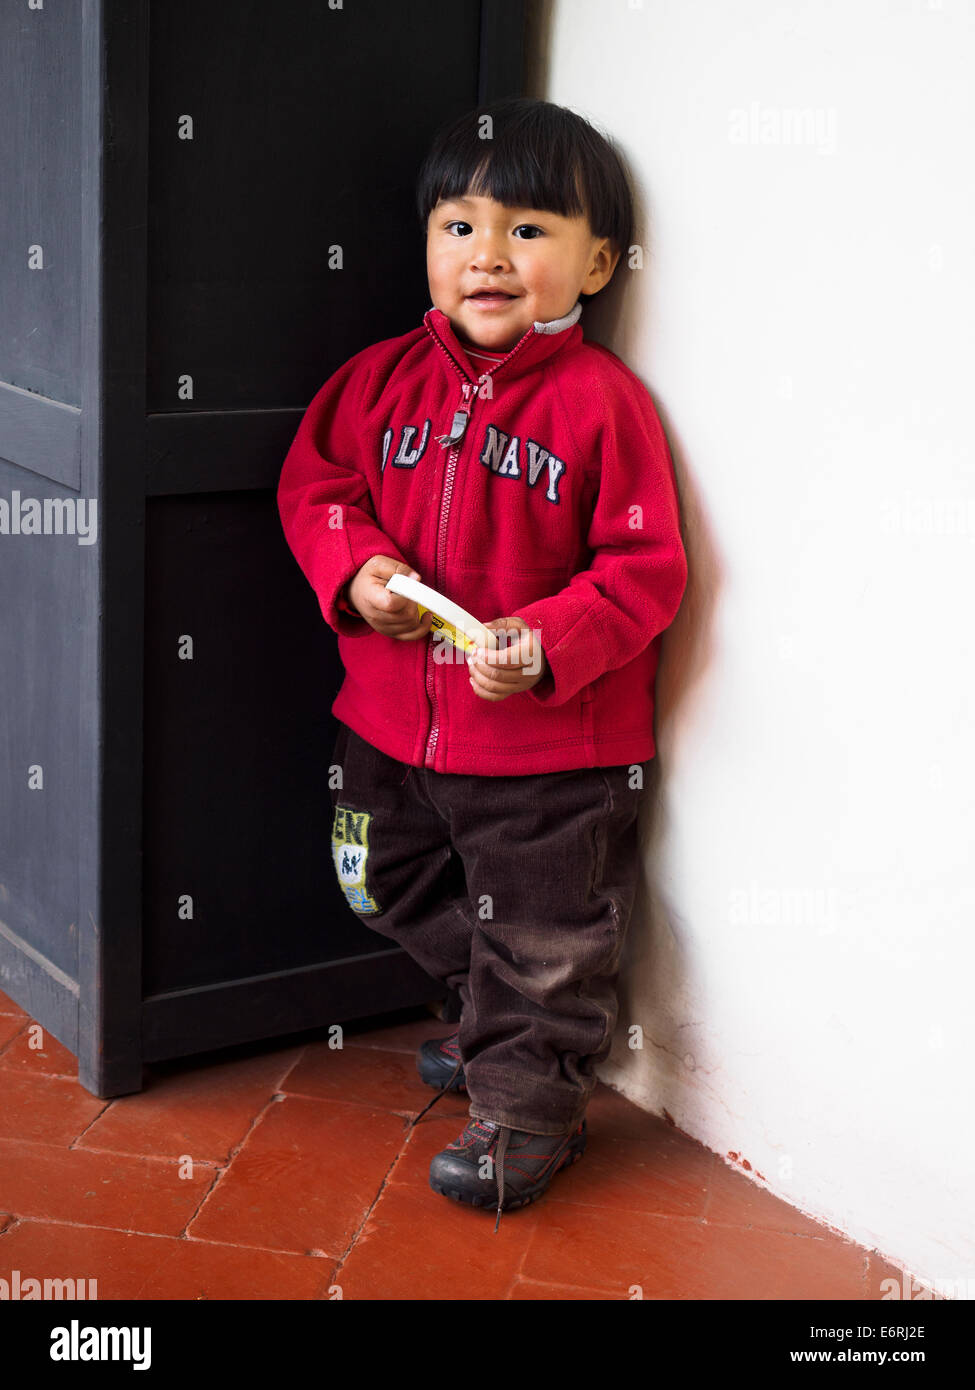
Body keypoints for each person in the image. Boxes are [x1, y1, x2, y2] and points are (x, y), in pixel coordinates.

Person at [276, 97, 688, 1232]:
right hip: (387, 722)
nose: (488, 255)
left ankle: (526, 1109)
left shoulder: (606, 408)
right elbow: (317, 491)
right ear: (427, 248)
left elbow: (644, 567)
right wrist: (355, 569)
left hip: (550, 750)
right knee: (375, 878)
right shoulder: (377, 382)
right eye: (459, 227)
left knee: (548, 940)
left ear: (597, 261)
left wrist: (547, 642)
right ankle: (487, 1001)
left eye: (527, 229)